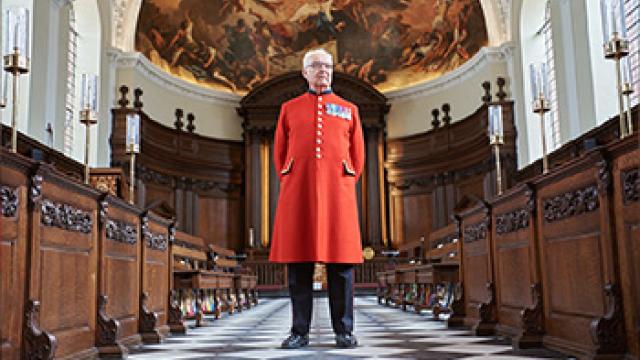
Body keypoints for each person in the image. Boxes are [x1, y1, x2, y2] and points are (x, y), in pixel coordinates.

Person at [269, 48, 365, 349]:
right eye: (315, 66)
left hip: (338, 193)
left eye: (327, 66)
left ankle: (344, 331)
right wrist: (290, 176)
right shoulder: (289, 108)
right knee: (298, 267)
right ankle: (299, 332)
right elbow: (280, 153)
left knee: (342, 267)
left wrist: (345, 178)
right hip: (299, 192)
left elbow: (358, 155)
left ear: (333, 71)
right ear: (304, 72)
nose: (322, 70)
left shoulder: (349, 108)